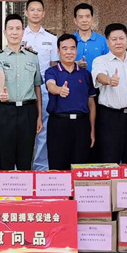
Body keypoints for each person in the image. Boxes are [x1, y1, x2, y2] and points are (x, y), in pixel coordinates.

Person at [0, 14, 43, 170]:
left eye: (18, 29)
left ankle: (25, 186)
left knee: (25, 159)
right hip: (6, 111)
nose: (14, 32)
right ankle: (6, 186)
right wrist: (1, 91)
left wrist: (39, 116)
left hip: (28, 111)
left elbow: (37, 86)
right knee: (5, 159)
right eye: (11, 29)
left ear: (23, 32)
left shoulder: (32, 57)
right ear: (5, 32)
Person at [92, 23, 127, 164]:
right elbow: (99, 76)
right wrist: (109, 80)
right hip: (111, 118)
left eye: (121, 38)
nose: (118, 42)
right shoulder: (100, 61)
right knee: (109, 160)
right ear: (107, 42)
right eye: (114, 39)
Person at [44, 34, 97, 170]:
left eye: (72, 48)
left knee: (80, 167)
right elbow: (50, 85)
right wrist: (59, 90)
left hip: (81, 125)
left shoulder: (85, 74)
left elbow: (91, 103)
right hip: (58, 124)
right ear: (58, 51)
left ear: (76, 50)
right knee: (57, 166)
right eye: (65, 48)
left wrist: (92, 130)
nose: (69, 52)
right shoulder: (52, 71)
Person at [21, 0, 59, 171]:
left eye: (39, 10)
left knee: (43, 129)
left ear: (43, 14)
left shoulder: (51, 38)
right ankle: (21, 169)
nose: (35, 13)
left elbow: (53, 66)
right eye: (32, 10)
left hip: (44, 90)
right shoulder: (19, 35)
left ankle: (41, 168)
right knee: (23, 130)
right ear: (26, 13)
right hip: (23, 90)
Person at [73, 3, 109, 72]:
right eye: (81, 17)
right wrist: (74, 64)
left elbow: (109, 62)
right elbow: (61, 63)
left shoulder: (102, 40)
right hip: (73, 78)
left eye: (87, 16)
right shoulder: (69, 40)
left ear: (92, 19)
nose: (84, 20)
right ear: (75, 21)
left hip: (97, 78)